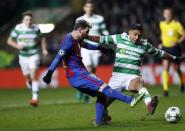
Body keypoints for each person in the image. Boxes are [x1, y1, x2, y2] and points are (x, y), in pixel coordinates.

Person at [43, 20, 144, 126]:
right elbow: (58, 57)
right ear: (80, 29)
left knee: (101, 95)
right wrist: (49, 73)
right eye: (86, 32)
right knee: (105, 88)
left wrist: (101, 48)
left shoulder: (76, 39)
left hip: (76, 77)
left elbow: (85, 45)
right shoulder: (69, 42)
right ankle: (129, 100)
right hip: (79, 75)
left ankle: (99, 122)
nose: (87, 34)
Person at [87, 24, 185, 122]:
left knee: (139, 82)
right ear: (129, 32)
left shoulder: (144, 45)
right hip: (116, 78)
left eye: (139, 35)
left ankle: (149, 103)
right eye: (135, 34)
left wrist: (175, 58)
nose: (137, 37)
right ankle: (102, 116)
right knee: (102, 103)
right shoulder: (120, 38)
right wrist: (86, 37)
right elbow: (102, 39)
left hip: (132, 77)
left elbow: (160, 53)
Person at [7, 11, 48, 107]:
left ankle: (35, 98)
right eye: (26, 19)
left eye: (30, 19)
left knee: (34, 75)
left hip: (34, 54)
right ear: (23, 20)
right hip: (23, 56)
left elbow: (42, 38)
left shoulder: (36, 28)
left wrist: (44, 49)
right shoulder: (18, 28)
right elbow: (9, 41)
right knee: (28, 77)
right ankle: (31, 85)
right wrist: (17, 46)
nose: (28, 21)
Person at [75, 0, 109, 103]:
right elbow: (76, 33)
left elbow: (104, 31)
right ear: (84, 8)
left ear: (92, 8)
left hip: (96, 48)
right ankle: (85, 92)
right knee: (88, 69)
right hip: (85, 47)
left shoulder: (99, 19)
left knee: (93, 70)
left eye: (91, 7)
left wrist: (107, 39)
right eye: (88, 7)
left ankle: (82, 90)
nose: (89, 8)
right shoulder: (79, 20)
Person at [159, 8, 185, 96]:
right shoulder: (161, 24)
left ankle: (181, 83)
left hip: (175, 49)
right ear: (163, 15)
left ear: (171, 15)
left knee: (176, 68)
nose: (167, 15)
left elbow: (183, 35)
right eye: (166, 14)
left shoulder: (176, 24)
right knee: (165, 67)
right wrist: (161, 43)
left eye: (169, 14)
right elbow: (163, 34)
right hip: (166, 48)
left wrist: (178, 42)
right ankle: (165, 90)